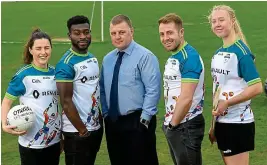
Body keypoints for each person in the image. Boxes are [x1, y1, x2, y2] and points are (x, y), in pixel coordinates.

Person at [100, 14, 161, 165]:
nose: (117, 37)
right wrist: (107, 114)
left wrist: (144, 120)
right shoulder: (107, 59)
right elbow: (103, 89)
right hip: (113, 122)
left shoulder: (145, 56)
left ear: (131, 32)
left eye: (122, 32)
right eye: (113, 33)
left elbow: (153, 89)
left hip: (137, 121)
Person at [208, 5, 263, 165]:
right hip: (223, 123)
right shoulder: (218, 53)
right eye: (214, 21)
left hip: (238, 124)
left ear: (232, 21)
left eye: (221, 20)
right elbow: (218, 90)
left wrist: (227, 103)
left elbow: (257, 87)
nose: (217, 24)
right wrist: (213, 125)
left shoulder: (241, 53)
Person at [1, 29, 61, 165]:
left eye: (46, 48)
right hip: (30, 143)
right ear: (30, 50)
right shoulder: (23, 75)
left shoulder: (56, 73)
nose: (43, 52)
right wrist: (4, 124)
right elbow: (6, 101)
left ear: (51, 49)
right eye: (38, 48)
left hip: (54, 140)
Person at [55, 15, 103, 165]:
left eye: (86, 32)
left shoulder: (92, 58)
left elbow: (94, 92)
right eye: (77, 33)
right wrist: (82, 130)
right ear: (69, 35)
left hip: (95, 127)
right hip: (77, 131)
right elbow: (66, 102)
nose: (83, 36)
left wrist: (99, 120)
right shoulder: (66, 64)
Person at [158, 13, 205, 165]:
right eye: (162, 34)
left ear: (181, 32)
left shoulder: (189, 57)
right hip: (179, 124)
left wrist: (172, 126)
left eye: (170, 32)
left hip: (185, 126)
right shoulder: (175, 55)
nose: (166, 38)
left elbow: (186, 98)